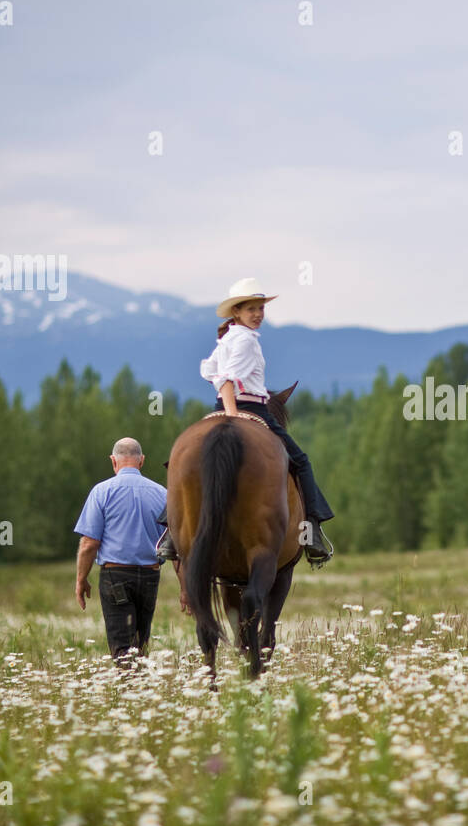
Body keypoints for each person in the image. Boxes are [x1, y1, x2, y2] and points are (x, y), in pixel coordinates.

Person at [156, 278, 334, 568]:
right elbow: (225, 378)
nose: (258, 314)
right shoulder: (247, 340)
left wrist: (224, 408)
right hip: (251, 407)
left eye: (261, 308)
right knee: (300, 461)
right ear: (236, 311)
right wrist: (233, 415)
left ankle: (170, 533)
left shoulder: (227, 338)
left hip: (218, 406)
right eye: (252, 309)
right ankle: (311, 531)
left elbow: (210, 370)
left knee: (186, 463)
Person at [74, 437, 168, 665]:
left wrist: (81, 579)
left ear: (113, 461)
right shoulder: (162, 493)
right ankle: (140, 693)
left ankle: (129, 693)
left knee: (122, 648)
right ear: (142, 461)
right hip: (150, 575)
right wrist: (186, 589)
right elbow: (174, 546)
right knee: (140, 645)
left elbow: (89, 544)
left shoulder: (101, 492)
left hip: (115, 577)